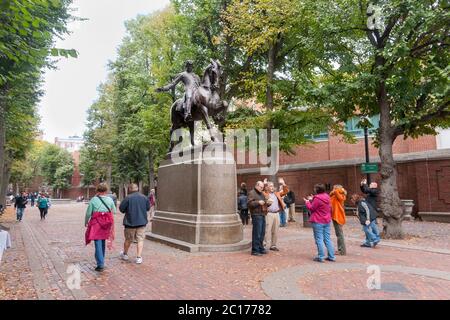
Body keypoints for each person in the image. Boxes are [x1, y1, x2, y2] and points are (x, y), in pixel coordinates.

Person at [85, 183, 116, 272]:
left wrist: (86, 221)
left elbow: (88, 213)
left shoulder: (94, 200)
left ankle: (100, 264)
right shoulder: (109, 199)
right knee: (102, 240)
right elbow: (113, 210)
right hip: (106, 223)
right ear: (106, 190)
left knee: (98, 242)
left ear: (97, 190)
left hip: (96, 223)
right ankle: (101, 259)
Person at [119, 183, 150, 264]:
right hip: (142, 222)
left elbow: (121, 209)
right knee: (140, 239)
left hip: (130, 223)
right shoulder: (144, 197)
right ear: (137, 188)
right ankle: (139, 257)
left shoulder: (128, 198)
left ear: (129, 189)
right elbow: (148, 208)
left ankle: (125, 254)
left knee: (128, 239)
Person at [304, 184, 335, 262]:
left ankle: (321, 256)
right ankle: (331, 256)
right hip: (327, 220)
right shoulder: (327, 196)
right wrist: (312, 199)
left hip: (318, 221)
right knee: (327, 239)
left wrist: (307, 202)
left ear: (317, 190)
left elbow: (312, 208)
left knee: (319, 239)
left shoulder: (317, 198)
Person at [263, 181, 289, 251]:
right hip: (269, 214)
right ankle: (264, 245)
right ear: (267, 187)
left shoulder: (277, 193)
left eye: (273, 186)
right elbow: (262, 192)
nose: (272, 187)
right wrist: (265, 184)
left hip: (277, 214)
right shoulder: (265, 194)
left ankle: (273, 245)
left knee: (275, 230)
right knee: (267, 230)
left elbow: (286, 191)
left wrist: (283, 184)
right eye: (270, 186)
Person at [247, 181, 268, 256]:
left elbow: (264, 202)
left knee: (262, 233)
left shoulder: (261, 193)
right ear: (257, 186)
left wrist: (267, 203)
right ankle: (255, 250)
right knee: (257, 233)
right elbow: (249, 204)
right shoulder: (251, 193)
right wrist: (258, 202)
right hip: (256, 215)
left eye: (262, 187)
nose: (262, 189)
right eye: (261, 187)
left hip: (262, 214)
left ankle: (260, 247)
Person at [330, 185, 347, 255]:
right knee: (338, 234)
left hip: (338, 216)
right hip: (335, 216)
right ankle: (340, 249)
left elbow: (337, 194)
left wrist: (340, 190)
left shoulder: (340, 195)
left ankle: (342, 251)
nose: (333, 189)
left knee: (340, 234)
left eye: (334, 188)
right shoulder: (335, 195)